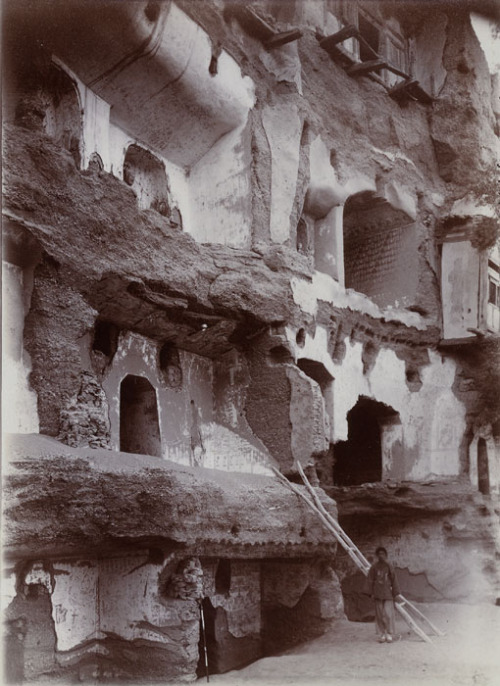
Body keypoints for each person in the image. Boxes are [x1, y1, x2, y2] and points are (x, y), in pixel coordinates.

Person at [367, 546, 403, 643]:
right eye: (379, 554)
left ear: (386, 555)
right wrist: (371, 593)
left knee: (388, 614)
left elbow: (394, 579)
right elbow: (370, 580)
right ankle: (382, 634)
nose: (381, 555)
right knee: (379, 615)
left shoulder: (389, 566)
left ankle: (390, 634)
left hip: (387, 594)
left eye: (383, 553)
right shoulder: (374, 567)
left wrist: (396, 593)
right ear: (377, 555)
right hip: (378, 594)